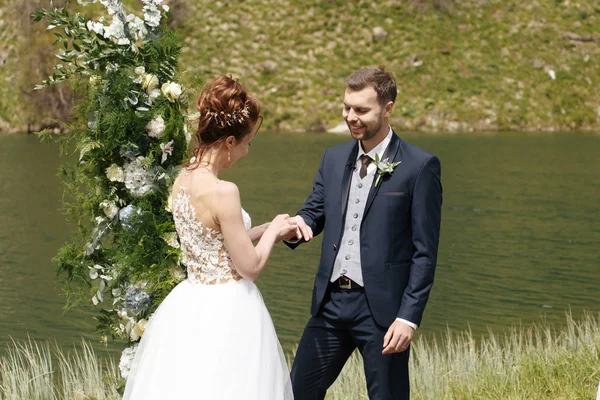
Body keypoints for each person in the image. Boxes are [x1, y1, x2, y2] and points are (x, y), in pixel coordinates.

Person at [123, 75, 297, 400]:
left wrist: (267, 227)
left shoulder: (182, 180)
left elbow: (217, 240)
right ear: (229, 141)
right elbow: (250, 266)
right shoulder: (224, 191)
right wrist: (273, 232)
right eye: (247, 142)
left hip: (190, 304)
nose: (246, 152)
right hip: (229, 309)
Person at [286, 66, 443, 399]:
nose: (350, 117)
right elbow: (313, 212)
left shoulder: (420, 166)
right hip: (329, 303)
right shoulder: (333, 158)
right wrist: (293, 228)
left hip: (383, 312)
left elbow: (425, 253)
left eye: (361, 110)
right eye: (346, 108)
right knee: (296, 392)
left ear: (388, 108)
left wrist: (408, 318)